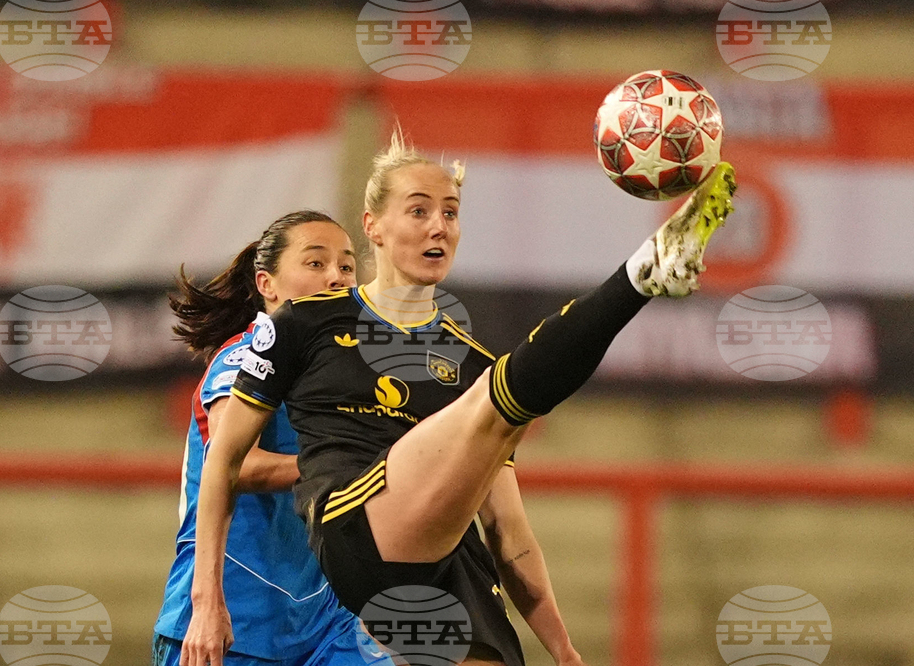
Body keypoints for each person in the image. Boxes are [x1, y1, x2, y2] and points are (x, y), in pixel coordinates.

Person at [183, 130, 737, 666]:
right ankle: (640, 277)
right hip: (355, 519)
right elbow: (225, 463)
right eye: (419, 210)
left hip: (448, 558)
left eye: (450, 212)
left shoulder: (469, 360)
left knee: (493, 396)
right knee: (498, 395)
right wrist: (207, 601)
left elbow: (508, 533)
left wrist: (563, 649)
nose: (439, 227)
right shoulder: (304, 322)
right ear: (373, 227)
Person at [153, 211, 389, 666]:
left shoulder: (351, 376)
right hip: (233, 622)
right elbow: (239, 464)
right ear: (267, 284)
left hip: (324, 622)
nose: (336, 277)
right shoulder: (242, 358)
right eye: (316, 263)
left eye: (345, 267)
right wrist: (206, 608)